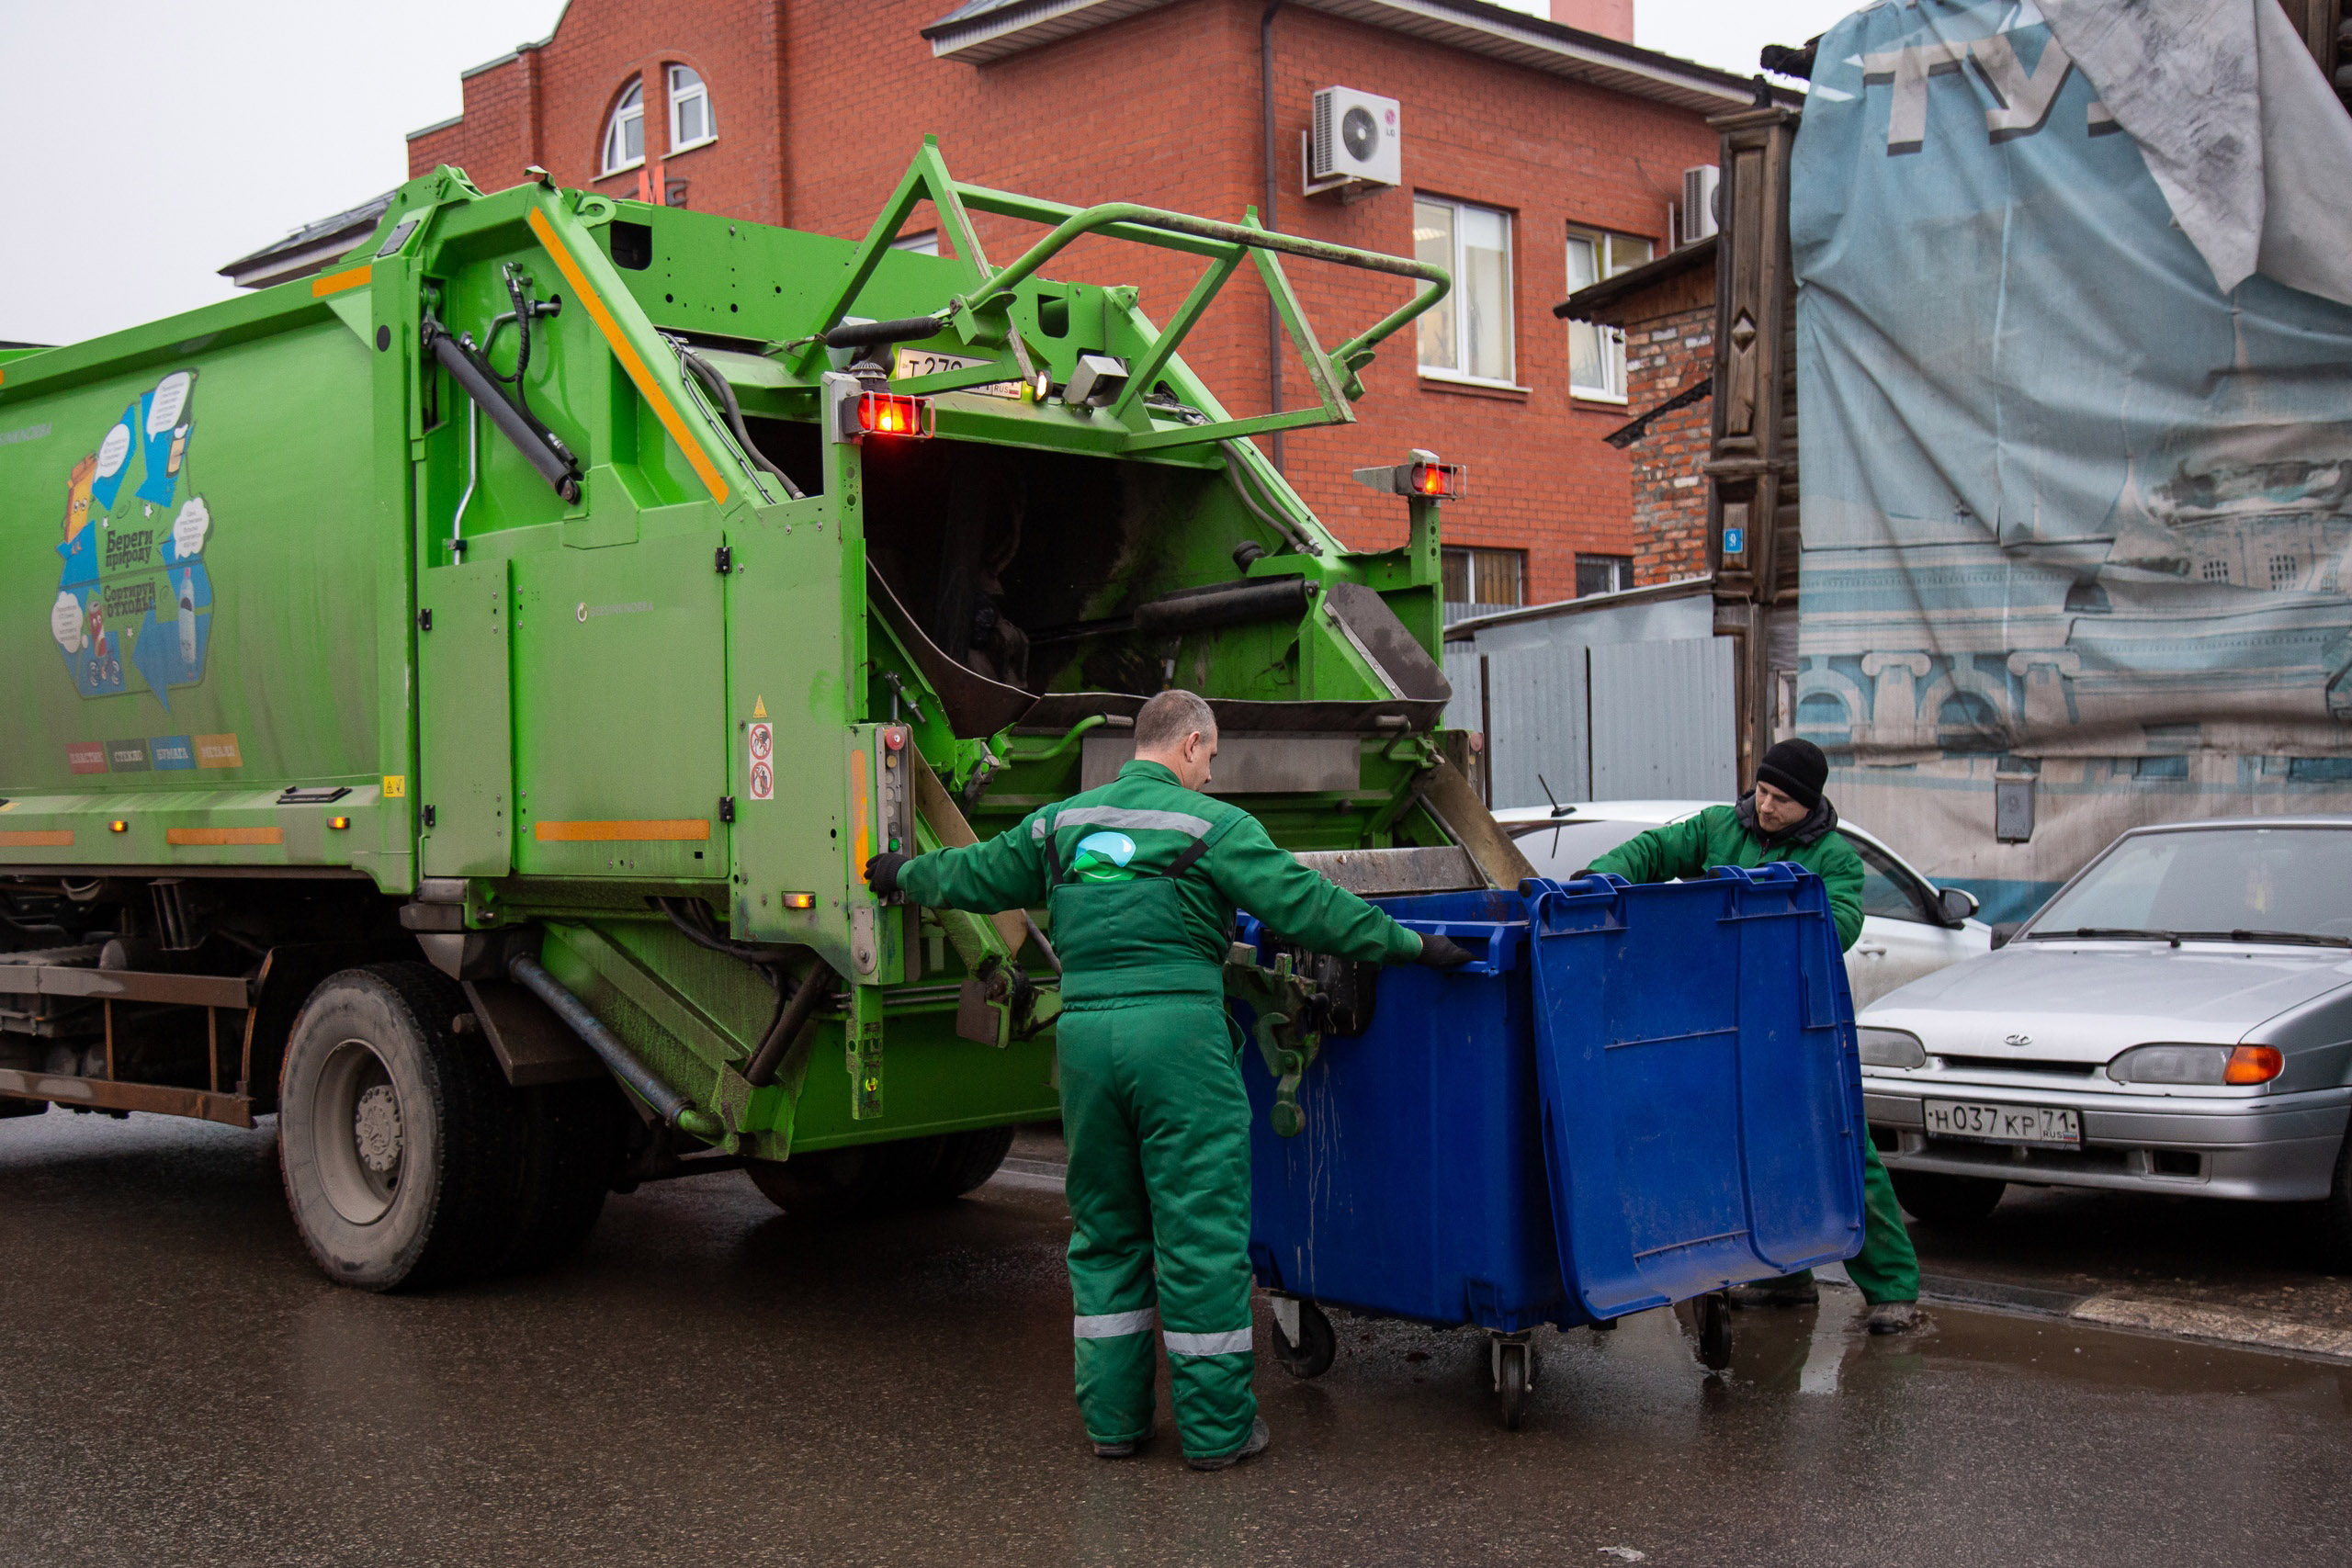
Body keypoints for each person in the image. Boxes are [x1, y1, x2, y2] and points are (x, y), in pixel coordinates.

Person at [863, 690, 1473, 1467]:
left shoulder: (1062, 823)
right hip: (1177, 1038)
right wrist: (1413, 946)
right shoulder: (1208, 827)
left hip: (1085, 1042)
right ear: (1188, 745)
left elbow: (976, 873)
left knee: (1108, 1230)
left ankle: (1115, 1425)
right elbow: (1308, 907)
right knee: (1199, 1230)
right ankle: (1217, 1434)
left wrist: (902, 874)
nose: (1210, 775)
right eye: (1210, 758)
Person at [1584, 737, 1923, 1335]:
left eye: (1782, 800)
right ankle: (1784, 1277)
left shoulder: (1835, 858)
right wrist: (1598, 878)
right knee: (1754, 1146)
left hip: (1795, 1020)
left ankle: (1894, 1286)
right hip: (1723, 1018)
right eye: (1762, 792)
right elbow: (1653, 851)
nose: (1766, 807)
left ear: (1809, 804)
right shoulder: (1718, 827)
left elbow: (1837, 922)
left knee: (1842, 1149)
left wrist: (1771, 902)